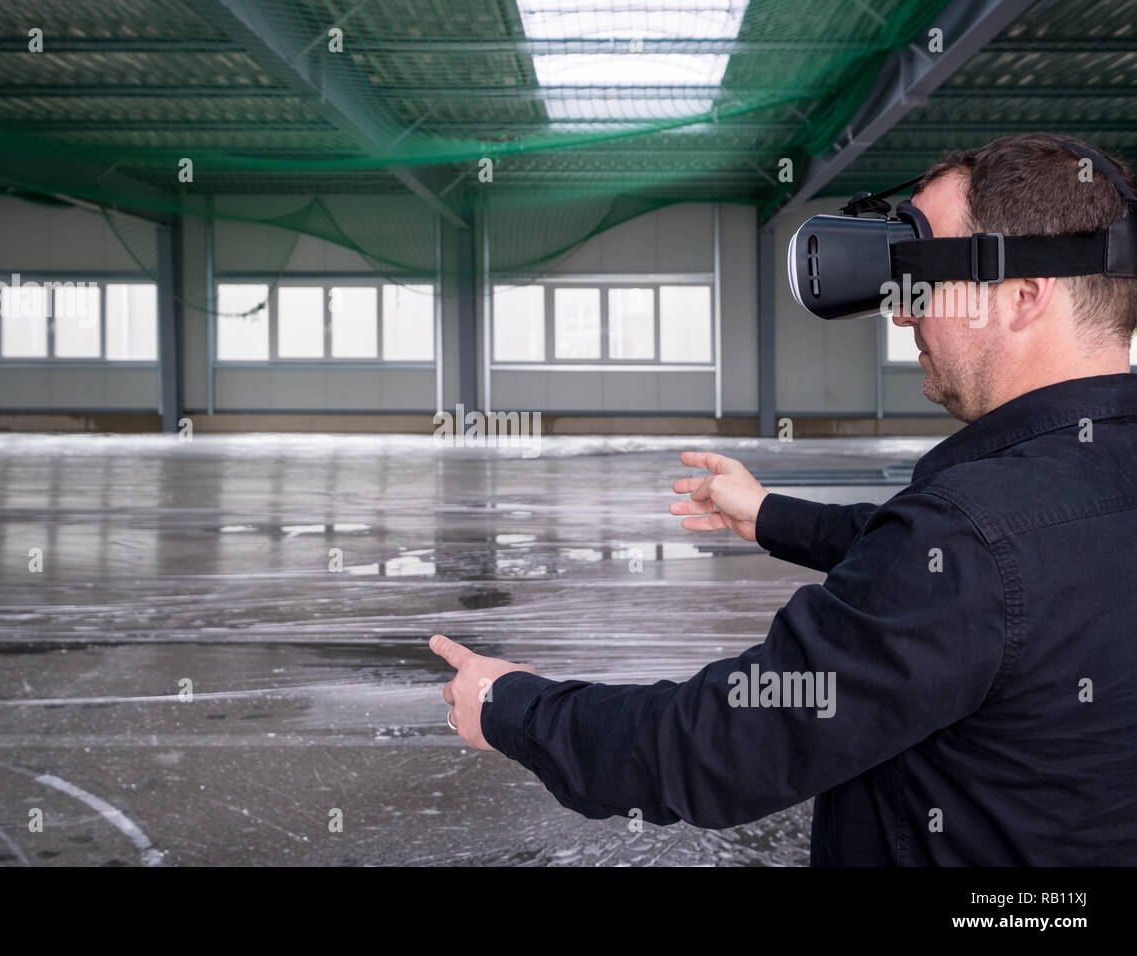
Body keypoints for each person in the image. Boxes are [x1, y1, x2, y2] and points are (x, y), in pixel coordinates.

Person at [429, 133, 1137, 865]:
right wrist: (772, 516)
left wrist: (513, 706)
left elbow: (718, 747)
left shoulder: (972, 538)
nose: (902, 314)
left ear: (1023, 296)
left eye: (922, 278)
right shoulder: (1034, 512)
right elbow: (990, 565)